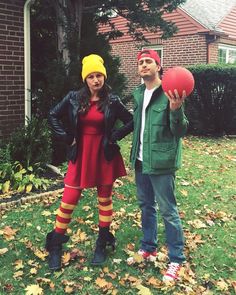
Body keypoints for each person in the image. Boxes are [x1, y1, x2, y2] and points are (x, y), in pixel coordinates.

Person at [45, 54, 133, 271]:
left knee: (104, 199)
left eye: (99, 75)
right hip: (81, 153)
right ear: (85, 79)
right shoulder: (74, 97)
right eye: (91, 76)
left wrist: (114, 136)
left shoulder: (112, 100)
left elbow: (132, 120)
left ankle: (102, 242)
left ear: (104, 77)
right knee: (69, 198)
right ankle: (56, 243)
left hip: (104, 154)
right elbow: (52, 115)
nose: (96, 80)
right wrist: (67, 137)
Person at [130, 49, 188, 281]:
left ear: (158, 65)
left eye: (149, 62)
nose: (144, 65)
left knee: (168, 211)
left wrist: (176, 110)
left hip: (162, 163)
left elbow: (180, 130)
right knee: (146, 206)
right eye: (141, 62)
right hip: (141, 161)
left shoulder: (170, 92)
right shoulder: (137, 93)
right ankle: (148, 247)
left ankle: (176, 259)